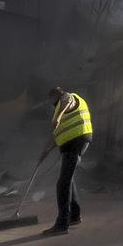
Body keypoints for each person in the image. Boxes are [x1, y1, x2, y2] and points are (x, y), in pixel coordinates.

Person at [39, 87, 94, 236]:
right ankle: (74, 216)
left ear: (55, 95)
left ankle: (62, 224)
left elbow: (67, 102)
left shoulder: (67, 98)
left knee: (62, 184)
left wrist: (59, 116)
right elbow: (60, 133)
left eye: (51, 100)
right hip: (73, 143)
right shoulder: (64, 107)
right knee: (68, 180)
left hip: (76, 142)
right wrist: (46, 152)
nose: (51, 103)